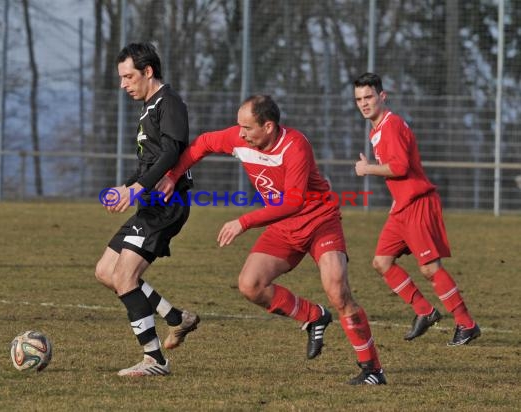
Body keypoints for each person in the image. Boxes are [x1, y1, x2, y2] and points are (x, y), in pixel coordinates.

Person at [157, 95, 386, 385]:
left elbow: (293, 202)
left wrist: (243, 222)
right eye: (239, 126)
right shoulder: (239, 138)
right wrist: (172, 175)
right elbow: (202, 144)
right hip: (284, 226)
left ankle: (372, 370)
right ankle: (313, 317)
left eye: (247, 127)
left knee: (338, 291)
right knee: (250, 285)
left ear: (268, 126)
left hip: (319, 221)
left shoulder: (295, 146)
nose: (239, 133)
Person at [94, 42, 200, 377]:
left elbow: (171, 152)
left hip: (168, 205)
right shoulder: (148, 108)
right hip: (151, 204)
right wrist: (126, 187)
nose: (123, 84)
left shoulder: (169, 102)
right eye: (121, 78)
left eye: (128, 77)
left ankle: (155, 360)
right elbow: (149, 162)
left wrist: (139, 188)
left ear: (148, 72)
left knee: (125, 277)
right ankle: (175, 318)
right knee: (106, 272)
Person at [353, 72, 480, 346]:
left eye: (369, 97)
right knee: (382, 262)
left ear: (382, 96)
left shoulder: (391, 125)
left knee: (430, 269)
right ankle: (425, 311)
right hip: (402, 207)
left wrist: (367, 169)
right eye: (359, 99)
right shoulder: (378, 129)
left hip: (417, 204)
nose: (364, 103)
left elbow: (399, 168)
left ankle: (466, 324)